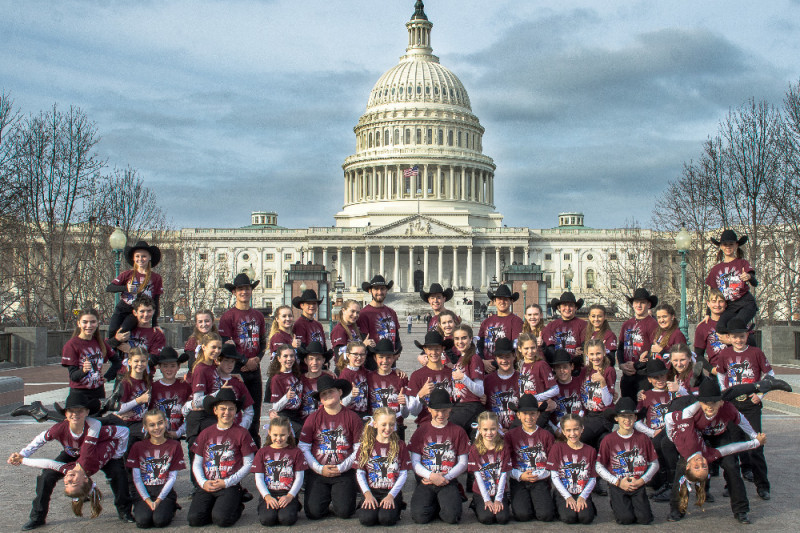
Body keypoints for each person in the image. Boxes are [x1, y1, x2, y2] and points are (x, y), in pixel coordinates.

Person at [662, 376, 787, 523]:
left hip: (719, 436)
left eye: (714, 403)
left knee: (731, 466)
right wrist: (672, 437)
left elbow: (740, 425)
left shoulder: (727, 408)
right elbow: (672, 418)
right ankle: (677, 509)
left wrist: (755, 437)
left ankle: (741, 510)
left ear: (721, 402)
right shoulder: (692, 415)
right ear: (700, 403)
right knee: (683, 469)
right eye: (706, 403)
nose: (710, 407)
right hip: (696, 438)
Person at [8, 392, 129, 530]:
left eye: (80, 411)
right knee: (46, 476)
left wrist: (117, 456)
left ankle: (124, 510)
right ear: (65, 414)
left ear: (87, 412)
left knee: (118, 472)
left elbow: (121, 432)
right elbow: (41, 441)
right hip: (74, 453)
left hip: (95, 452)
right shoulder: (61, 429)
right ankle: (37, 517)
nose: (75, 414)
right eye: (71, 411)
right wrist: (23, 455)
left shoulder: (95, 430)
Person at [716, 317, 776, 499]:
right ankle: (731, 484)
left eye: (741, 336)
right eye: (735, 337)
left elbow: (770, 374)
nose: (738, 340)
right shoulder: (725, 354)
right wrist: (724, 393)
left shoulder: (756, 353)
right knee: (732, 446)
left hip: (751, 405)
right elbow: (721, 375)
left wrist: (761, 394)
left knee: (756, 444)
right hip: (732, 405)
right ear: (729, 337)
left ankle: (762, 485)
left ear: (747, 335)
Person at [187, 388, 258, 528]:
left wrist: (227, 482)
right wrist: (203, 482)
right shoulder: (206, 433)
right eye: (222, 408)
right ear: (215, 410)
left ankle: (237, 503)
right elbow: (197, 463)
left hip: (229, 484)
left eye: (231, 409)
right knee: (195, 519)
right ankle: (217, 505)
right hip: (209, 482)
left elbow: (249, 463)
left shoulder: (242, 433)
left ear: (236, 411)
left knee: (222, 519)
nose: (226, 412)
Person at [298, 374, 364, 520]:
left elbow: (359, 448)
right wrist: (319, 468)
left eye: (331, 391)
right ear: (320, 399)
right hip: (318, 471)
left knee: (345, 512)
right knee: (313, 513)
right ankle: (324, 497)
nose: (327, 395)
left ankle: (338, 498)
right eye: (323, 394)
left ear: (340, 392)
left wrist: (341, 468)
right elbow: (303, 447)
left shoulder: (353, 417)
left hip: (344, 471)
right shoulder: (313, 418)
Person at [218, 272, 267, 447]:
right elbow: (226, 345)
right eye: (240, 289)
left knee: (255, 410)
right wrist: (245, 361)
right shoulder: (228, 317)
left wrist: (257, 359)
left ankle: (254, 446)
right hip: (237, 369)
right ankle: (235, 445)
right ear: (234, 292)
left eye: (247, 288)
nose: (244, 292)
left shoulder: (258, 316)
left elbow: (263, 342)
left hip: (255, 368)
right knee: (237, 409)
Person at [408, 388, 470, 524]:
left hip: (448, 480)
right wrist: (431, 476)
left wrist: (446, 477)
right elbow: (415, 462)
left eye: (445, 410)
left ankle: (448, 501)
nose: (441, 414)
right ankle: (436, 502)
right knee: (420, 517)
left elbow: (463, 463)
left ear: (450, 409)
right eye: (437, 410)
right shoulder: (422, 431)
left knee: (451, 517)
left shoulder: (458, 431)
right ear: (429, 409)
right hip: (427, 480)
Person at [595, 398, 659, 525]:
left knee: (645, 519)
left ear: (635, 418)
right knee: (625, 519)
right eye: (623, 416)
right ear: (616, 418)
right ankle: (616, 503)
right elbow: (599, 466)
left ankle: (636, 504)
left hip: (637, 483)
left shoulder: (643, 438)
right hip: (618, 484)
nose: (627, 420)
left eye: (630, 416)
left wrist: (642, 480)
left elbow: (655, 463)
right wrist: (616, 482)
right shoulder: (608, 440)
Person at [127, 409, 186, 528]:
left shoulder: (174, 445)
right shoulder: (138, 446)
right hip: (144, 491)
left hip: (164, 491)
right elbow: (137, 478)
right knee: (143, 522)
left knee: (160, 521)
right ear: (145, 427)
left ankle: (171, 506)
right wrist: (147, 500)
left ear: (166, 422)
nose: (157, 428)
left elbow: (172, 477)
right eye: (152, 425)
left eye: (160, 423)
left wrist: (159, 499)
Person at [355, 407, 411, 527]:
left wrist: (391, 496)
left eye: (391, 424)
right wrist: (367, 494)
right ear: (375, 424)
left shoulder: (400, 445)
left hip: (390, 491)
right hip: (372, 491)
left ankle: (397, 507)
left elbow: (403, 474)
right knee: (367, 520)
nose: (388, 428)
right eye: (384, 424)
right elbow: (360, 473)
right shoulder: (366, 445)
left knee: (386, 519)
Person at [505, 394, 556, 523]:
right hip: (519, 479)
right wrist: (519, 475)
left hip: (540, 479)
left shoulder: (546, 435)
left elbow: (552, 462)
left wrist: (539, 475)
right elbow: (506, 462)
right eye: (525, 414)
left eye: (532, 413)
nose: (529, 417)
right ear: (518, 415)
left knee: (545, 515)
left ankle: (547, 500)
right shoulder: (511, 435)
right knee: (522, 516)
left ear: (538, 414)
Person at [252, 415, 307, 527]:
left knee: (286, 519)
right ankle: (264, 507)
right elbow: (259, 478)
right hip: (269, 492)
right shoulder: (262, 452)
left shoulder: (296, 452)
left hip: (287, 493)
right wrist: (266, 496)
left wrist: (290, 496)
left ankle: (295, 505)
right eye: (275, 435)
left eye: (282, 435)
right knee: (267, 520)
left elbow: (299, 478)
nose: (278, 438)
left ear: (289, 433)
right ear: (269, 432)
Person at [546, 414, 597, 525]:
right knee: (569, 518)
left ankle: (589, 504)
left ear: (582, 429)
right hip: (564, 491)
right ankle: (557, 502)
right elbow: (554, 476)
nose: (572, 434)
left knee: (586, 518)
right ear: (563, 431)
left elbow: (593, 478)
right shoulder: (557, 448)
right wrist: (567, 497)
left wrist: (583, 496)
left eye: (576, 429)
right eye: (568, 430)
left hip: (582, 491)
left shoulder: (590, 451)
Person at [105, 240, 163, 339]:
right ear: (133, 258)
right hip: (123, 307)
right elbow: (109, 288)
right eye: (137, 256)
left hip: (137, 310)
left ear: (149, 257)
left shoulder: (156, 278)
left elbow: (156, 301)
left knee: (124, 331)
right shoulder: (127, 274)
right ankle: (109, 348)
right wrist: (125, 288)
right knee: (112, 331)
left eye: (144, 256)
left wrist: (154, 323)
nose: (140, 259)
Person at [706, 229, 757, 333]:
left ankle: (747, 335)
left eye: (731, 244)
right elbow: (712, 294)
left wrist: (749, 277)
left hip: (746, 303)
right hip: (730, 306)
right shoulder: (716, 269)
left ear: (736, 245)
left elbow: (755, 283)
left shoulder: (742, 263)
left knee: (736, 324)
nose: (728, 247)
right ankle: (744, 333)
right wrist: (708, 313)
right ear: (721, 246)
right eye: (725, 244)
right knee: (720, 327)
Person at [468, 411, 512, 524]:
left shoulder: (504, 447)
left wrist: (498, 499)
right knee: (486, 518)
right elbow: (478, 476)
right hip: (482, 492)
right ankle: (476, 503)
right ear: (479, 429)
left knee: (502, 519)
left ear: (498, 428)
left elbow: (504, 475)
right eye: (485, 429)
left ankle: (505, 501)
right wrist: (487, 499)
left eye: (492, 429)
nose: (489, 433)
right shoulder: (474, 449)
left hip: (499, 490)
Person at [107, 295, 166, 379]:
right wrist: (116, 339)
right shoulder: (127, 329)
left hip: (144, 377)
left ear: (153, 311)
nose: (146, 314)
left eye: (149, 311)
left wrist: (131, 350)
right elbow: (105, 348)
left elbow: (154, 360)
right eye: (142, 311)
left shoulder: (157, 334)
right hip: (123, 375)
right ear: (135, 312)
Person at [616, 288, 659, 401]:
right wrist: (621, 365)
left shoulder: (653, 324)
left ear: (649, 305)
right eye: (636, 302)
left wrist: (636, 365)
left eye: (642, 302)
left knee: (643, 406)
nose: (639, 305)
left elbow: (654, 351)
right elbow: (620, 349)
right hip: (627, 374)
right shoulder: (626, 324)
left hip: (644, 375)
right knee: (627, 405)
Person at [407, 330, 454, 426]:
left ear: (443, 349)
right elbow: (412, 411)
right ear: (425, 350)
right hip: (425, 425)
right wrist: (421, 394)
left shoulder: (452, 373)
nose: (433, 352)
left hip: (449, 424)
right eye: (430, 349)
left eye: (437, 349)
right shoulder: (417, 375)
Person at [367, 339, 409, 439]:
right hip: (375, 428)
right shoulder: (368, 377)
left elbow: (406, 414)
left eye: (388, 357)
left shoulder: (401, 378)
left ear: (394, 358)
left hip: (395, 428)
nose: (385, 361)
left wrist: (404, 404)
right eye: (381, 357)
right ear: (375, 358)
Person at [449, 324, 485, 438]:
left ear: (470, 339)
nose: (460, 342)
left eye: (464, 338)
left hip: (470, 406)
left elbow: (480, 391)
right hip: (459, 405)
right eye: (457, 338)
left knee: (449, 430)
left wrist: (463, 378)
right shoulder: (461, 358)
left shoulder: (474, 358)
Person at [357, 275, 401, 367]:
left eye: (382, 289)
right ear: (370, 291)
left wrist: (397, 352)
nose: (379, 292)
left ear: (386, 290)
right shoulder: (364, 314)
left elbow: (396, 336)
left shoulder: (392, 312)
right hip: (373, 363)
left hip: (390, 361)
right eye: (376, 289)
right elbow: (365, 339)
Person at [149, 347, 192, 439]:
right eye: (165, 366)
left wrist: (179, 433)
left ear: (178, 367)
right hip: (156, 435)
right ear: (159, 367)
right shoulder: (153, 388)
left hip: (176, 434)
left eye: (172, 366)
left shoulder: (185, 387)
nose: (169, 369)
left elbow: (191, 414)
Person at [579, 339, 615, 449]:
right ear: (587, 354)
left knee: (580, 436)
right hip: (588, 415)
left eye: (598, 353)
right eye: (592, 354)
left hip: (603, 415)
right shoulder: (585, 371)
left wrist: (602, 382)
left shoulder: (609, 370)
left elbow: (608, 402)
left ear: (604, 352)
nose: (595, 357)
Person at [478, 284, 524, 365]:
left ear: (511, 301)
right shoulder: (486, 322)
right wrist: (482, 361)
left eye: (505, 299)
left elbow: (516, 347)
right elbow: (479, 344)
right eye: (499, 299)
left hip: (506, 365)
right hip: (485, 365)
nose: (502, 302)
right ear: (494, 301)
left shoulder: (517, 321)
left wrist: (497, 364)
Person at [483, 337, 520, 431]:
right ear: (495, 358)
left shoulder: (522, 378)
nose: (504, 361)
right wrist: (498, 429)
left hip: (518, 431)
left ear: (514, 356)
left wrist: (512, 430)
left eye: (507, 356)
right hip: (493, 432)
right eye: (500, 357)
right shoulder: (486, 380)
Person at [267, 344, 304, 437]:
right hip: (284, 415)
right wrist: (286, 397)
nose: (289, 359)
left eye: (292, 356)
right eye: (285, 356)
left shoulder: (296, 374)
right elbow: (275, 407)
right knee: (302, 433)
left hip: (297, 414)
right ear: (279, 358)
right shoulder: (277, 378)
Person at [542, 291, 588, 358]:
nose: (567, 308)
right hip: (556, 362)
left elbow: (586, 346)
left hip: (576, 362)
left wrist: (582, 351)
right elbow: (548, 349)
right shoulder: (551, 326)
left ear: (576, 308)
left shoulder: (583, 325)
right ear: (559, 308)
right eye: (564, 305)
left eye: (571, 305)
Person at [517, 332, 559, 402]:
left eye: (533, 348)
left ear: (537, 347)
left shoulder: (541, 364)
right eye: (526, 348)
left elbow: (555, 389)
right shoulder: (521, 364)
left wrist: (536, 398)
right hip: (525, 405)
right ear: (519, 349)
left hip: (539, 406)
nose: (530, 351)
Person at [299, 341, 335, 420]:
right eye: (311, 359)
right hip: (303, 422)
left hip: (325, 421)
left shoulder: (330, 379)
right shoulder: (299, 380)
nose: (314, 362)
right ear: (305, 361)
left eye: (318, 359)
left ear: (323, 360)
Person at [693, 290, 728, 371]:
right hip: (716, 371)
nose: (717, 305)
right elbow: (698, 355)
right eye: (714, 301)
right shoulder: (702, 327)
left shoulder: (734, 322)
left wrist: (730, 341)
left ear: (726, 304)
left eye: (721, 301)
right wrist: (711, 369)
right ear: (708, 303)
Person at [339, 341, 371, 420]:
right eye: (355, 354)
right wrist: (351, 395)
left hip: (364, 414)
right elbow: (340, 404)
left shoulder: (363, 370)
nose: (359, 357)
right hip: (350, 416)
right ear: (348, 355)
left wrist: (395, 370)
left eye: (362, 354)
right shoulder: (345, 374)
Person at [182, 309, 217, 378]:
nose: (204, 324)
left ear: (212, 322)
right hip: (198, 377)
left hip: (216, 377)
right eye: (200, 322)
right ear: (196, 324)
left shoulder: (219, 339)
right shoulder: (192, 342)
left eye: (207, 321)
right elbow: (192, 365)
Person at [330, 299, 364, 368]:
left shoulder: (355, 328)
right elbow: (340, 356)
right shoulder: (339, 329)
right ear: (343, 310)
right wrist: (364, 345)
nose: (355, 315)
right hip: (345, 369)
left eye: (357, 312)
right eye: (352, 311)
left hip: (356, 368)